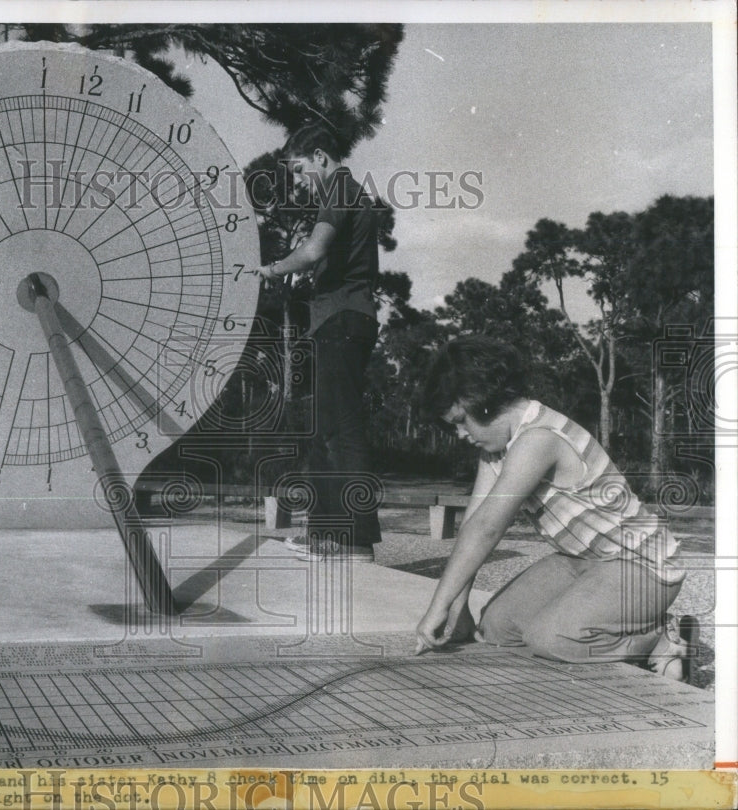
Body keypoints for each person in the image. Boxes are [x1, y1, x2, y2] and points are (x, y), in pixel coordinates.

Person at [413, 336, 694, 680]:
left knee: (553, 639)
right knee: (496, 628)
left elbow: (489, 527)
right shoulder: (495, 450)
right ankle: (606, 627)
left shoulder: (540, 437)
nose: (459, 434)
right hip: (583, 559)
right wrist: (459, 608)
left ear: (483, 402)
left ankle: (658, 641)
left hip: (643, 565)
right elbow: (474, 523)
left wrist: (436, 608)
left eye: (461, 420)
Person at [254, 122, 382, 562]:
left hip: (343, 321)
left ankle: (356, 541)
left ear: (322, 157)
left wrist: (269, 270)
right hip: (342, 320)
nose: (298, 181)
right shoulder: (347, 194)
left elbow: (311, 251)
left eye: (300, 169)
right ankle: (330, 538)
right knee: (328, 432)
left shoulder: (341, 191)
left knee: (341, 434)